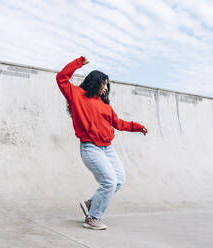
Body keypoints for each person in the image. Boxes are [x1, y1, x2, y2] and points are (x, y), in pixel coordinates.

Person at [56, 56, 148, 230]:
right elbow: (61, 78)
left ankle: (92, 203)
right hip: (90, 148)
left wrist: (138, 127)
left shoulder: (106, 106)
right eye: (103, 84)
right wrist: (79, 63)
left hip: (108, 149)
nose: (106, 88)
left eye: (107, 85)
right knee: (109, 181)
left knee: (119, 179)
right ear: (94, 82)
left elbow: (119, 124)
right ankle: (92, 218)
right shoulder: (76, 95)